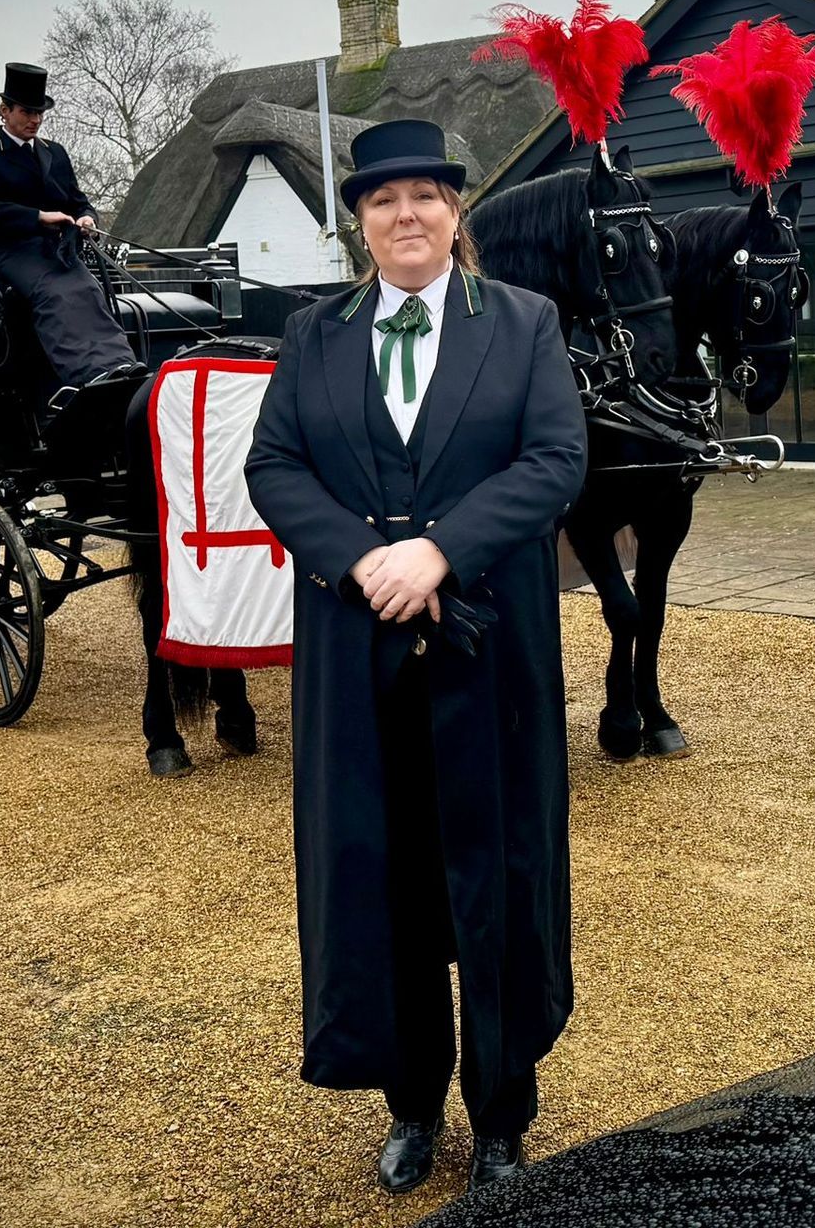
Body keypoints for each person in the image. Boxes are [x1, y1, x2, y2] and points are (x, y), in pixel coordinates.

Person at [243, 119, 587, 1198]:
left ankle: (499, 1117)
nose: (407, 216)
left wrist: (440, 549)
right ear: (359, 222)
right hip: (359, 653)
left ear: (456, 212)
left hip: (490, 650)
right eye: (384, 201)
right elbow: (276, 464)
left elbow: (556, 459)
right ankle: (408, 1102)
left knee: (491, 872)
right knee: (381, 871)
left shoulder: (524, 324)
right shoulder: (316, 334)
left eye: (426, 198)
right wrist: (361, 562)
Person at [0, 62, 140, 415]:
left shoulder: (54, 152)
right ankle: (85, 376)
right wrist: (37, 217)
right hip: (9, 250)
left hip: (55, 250)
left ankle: (118, 367)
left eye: (39, 113)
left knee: (89, 289)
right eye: (28, 112)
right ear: (4, 111)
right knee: (55, 293)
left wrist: (88, 217)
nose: (35, 120)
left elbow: (77, 200)